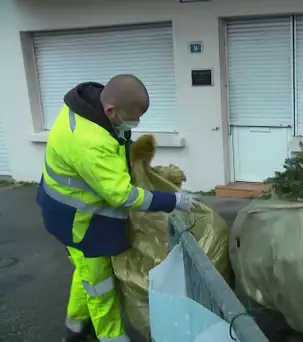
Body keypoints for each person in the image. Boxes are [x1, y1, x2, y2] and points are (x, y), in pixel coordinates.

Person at [36, 74, 197, 342]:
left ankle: (74, 330)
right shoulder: (90, 142)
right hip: (78, 223)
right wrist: (173, 200)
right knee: (100, 289)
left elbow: (117, 144)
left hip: (64, 209)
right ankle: (112, 337)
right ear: (111, 110)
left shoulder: (88, 107)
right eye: (132, 118)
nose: (135, 124)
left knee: (85, 275)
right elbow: (122, 195)